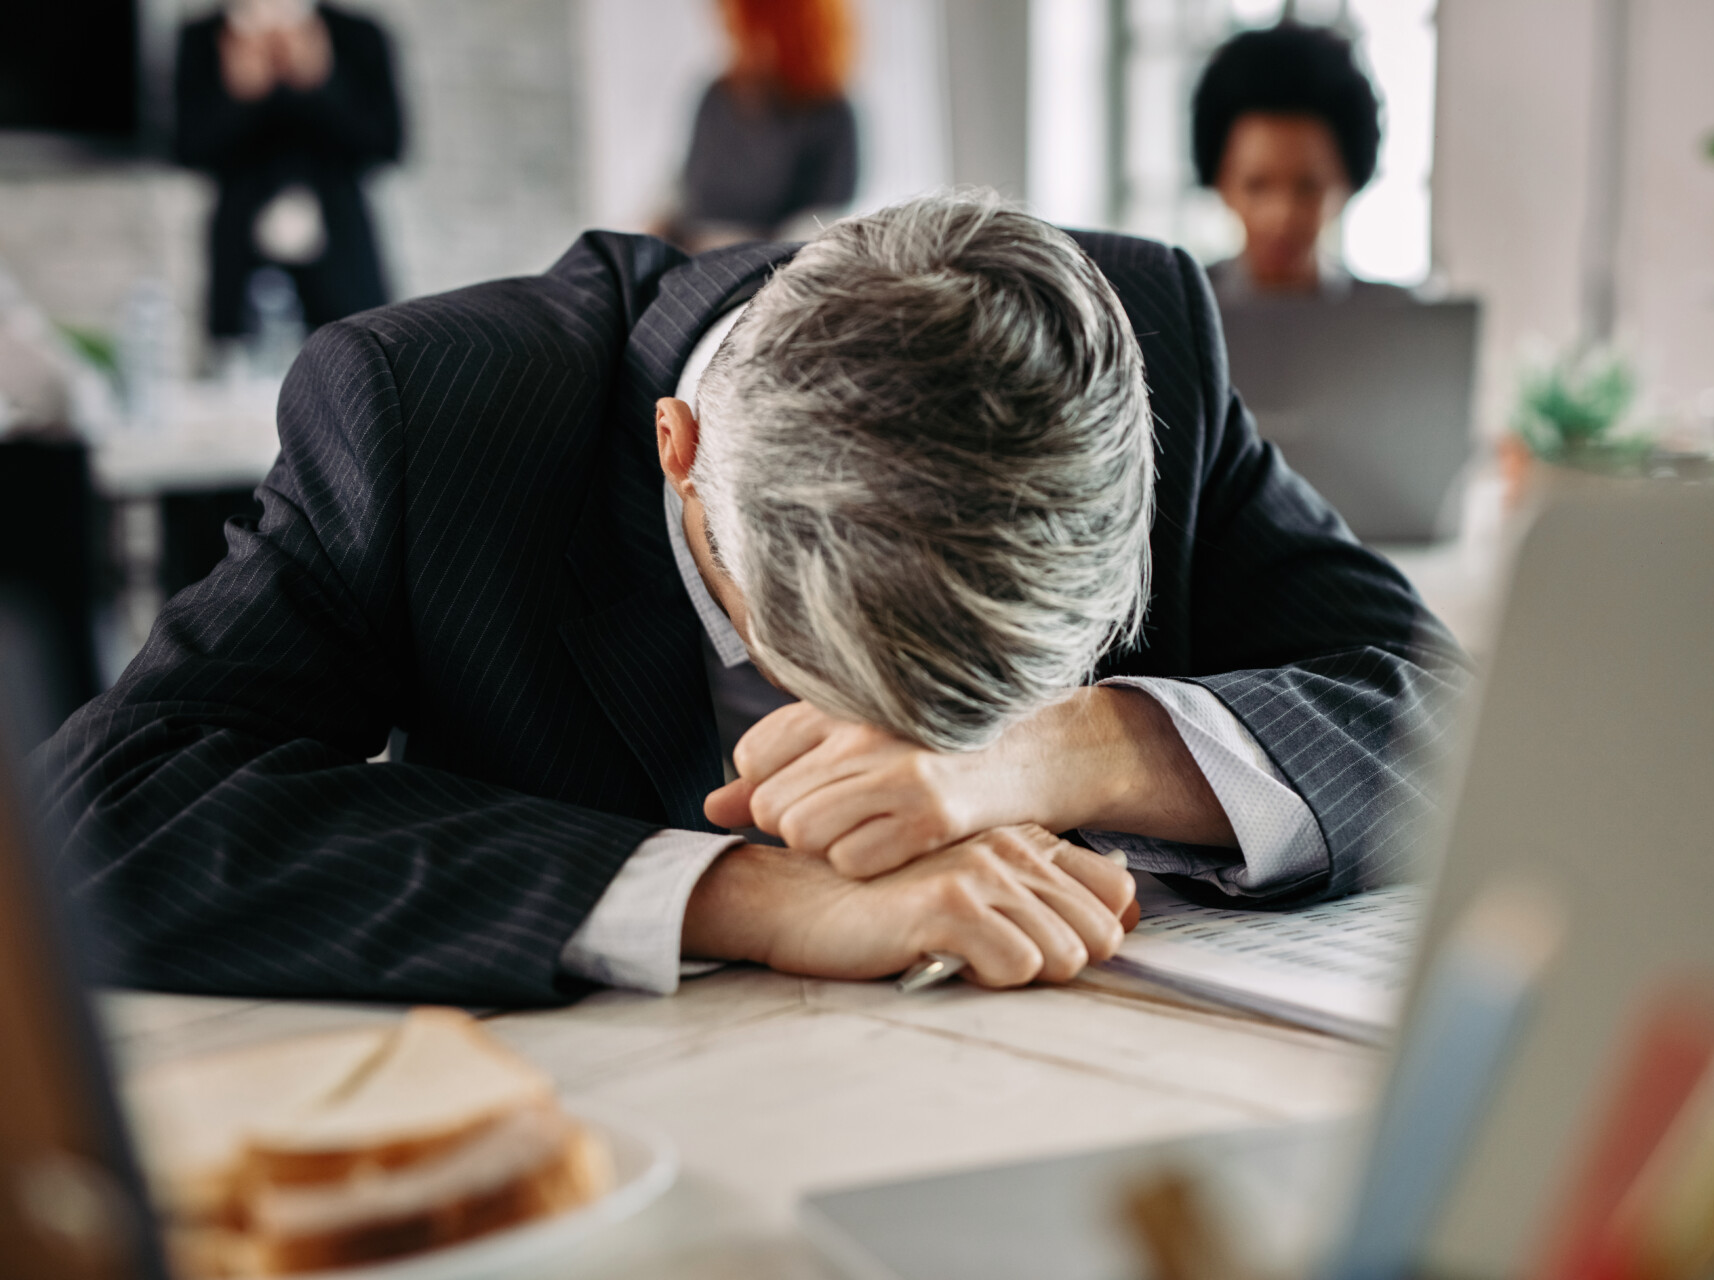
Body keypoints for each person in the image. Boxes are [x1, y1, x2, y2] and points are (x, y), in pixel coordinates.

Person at [34, 193, 1467, 1006]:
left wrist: (1043, 755)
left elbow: (1462, 721)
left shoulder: (1137, 342)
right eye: (822, 672)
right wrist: (745, 895)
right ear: (682, 454)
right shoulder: (433, 417)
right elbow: (91, 821)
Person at [175, 0, 402, 342]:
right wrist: (244, 96)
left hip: (342, 255)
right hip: (240, 257)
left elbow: (386, 143)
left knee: (356, 368)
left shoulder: (355, 34)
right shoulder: (205, 37)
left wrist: (319, 83)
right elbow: (187, 149)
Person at [1193, 22, 1399, 303]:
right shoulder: (1178, 312)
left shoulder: (1391, 316)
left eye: (1308, 186)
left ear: (1348, 184)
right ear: (1220, 181)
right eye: (1257, 186)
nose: (1282, 216)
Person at [661, 0, 859, 251]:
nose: (738, 40)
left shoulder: (830, 111)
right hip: (696, 254)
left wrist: (750, 253)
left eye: (752, 29)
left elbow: (823, 216)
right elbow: (684, 183)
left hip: (772, 267)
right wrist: (655, 226)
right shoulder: (716, 95)